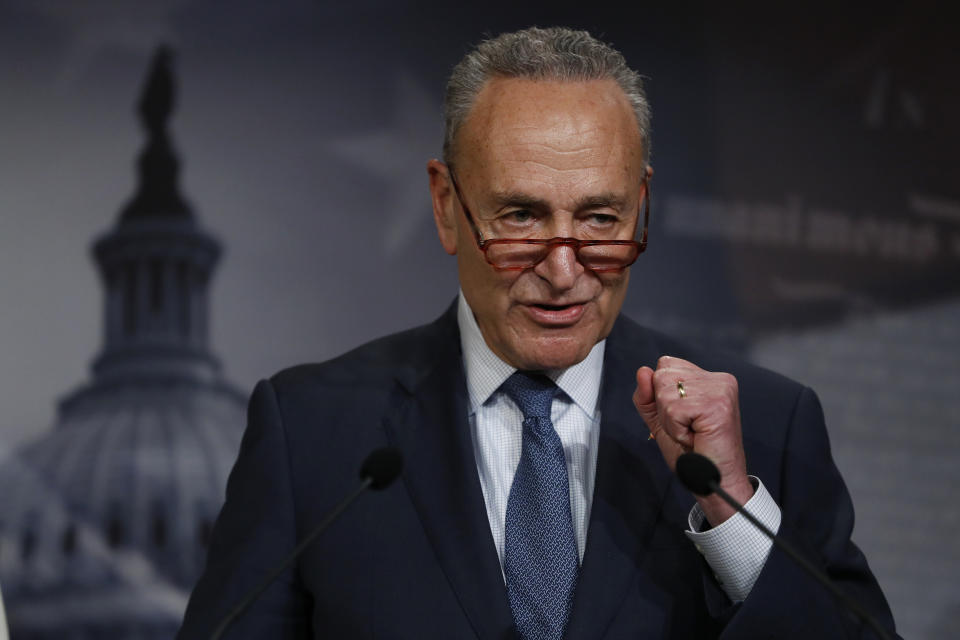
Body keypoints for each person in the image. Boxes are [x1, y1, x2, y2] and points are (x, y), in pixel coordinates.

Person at [177, 27, 898, 639]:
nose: (563, 270)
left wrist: (733, 509)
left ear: (640, 203)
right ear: (445, 205)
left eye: (599, 220)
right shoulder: (315, 433)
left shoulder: (766, 425)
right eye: (520, 217)